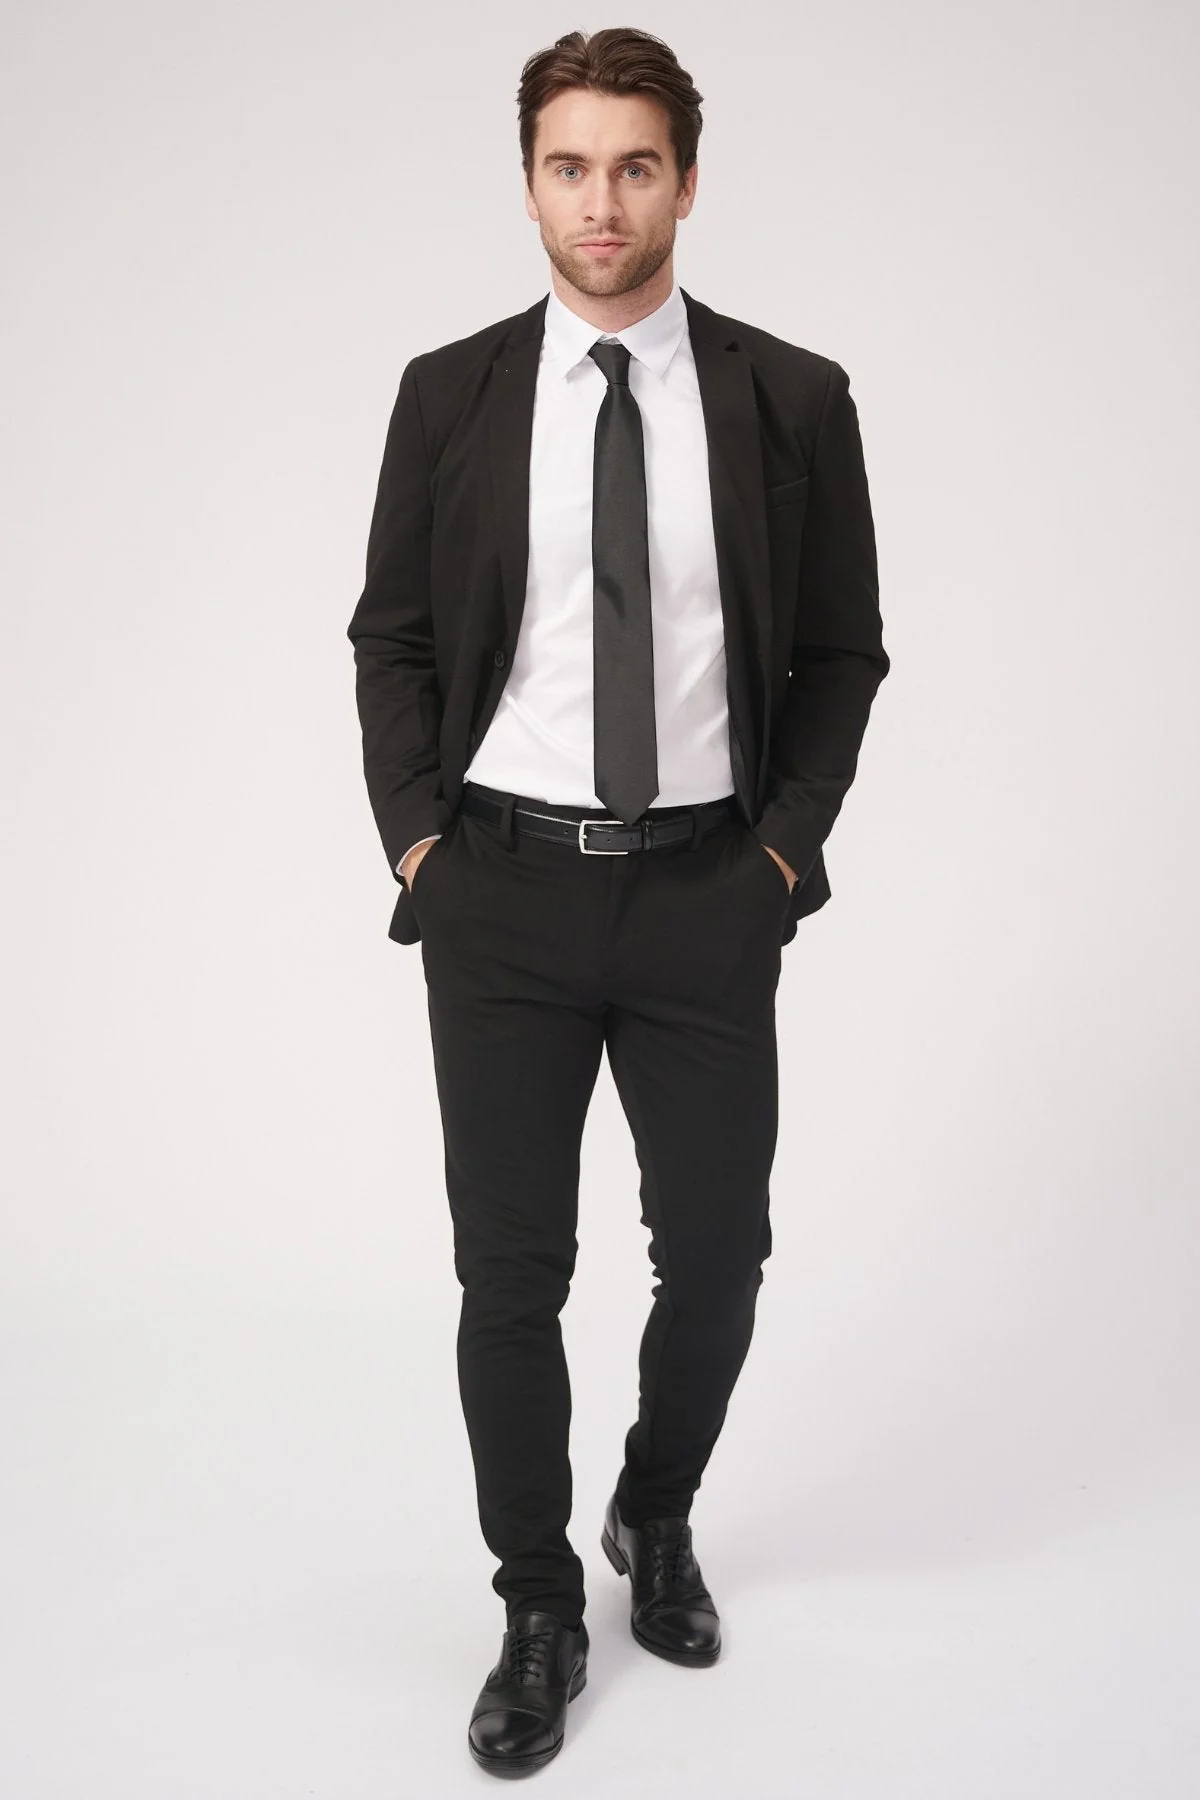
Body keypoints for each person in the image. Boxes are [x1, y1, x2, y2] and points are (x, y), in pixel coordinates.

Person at [346, 25, 889, 1778]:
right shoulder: (450, 393)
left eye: (635, 166)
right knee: (510, 1272)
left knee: (719, 1252)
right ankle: (534, 1606)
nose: (602, 201)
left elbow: (840, 651)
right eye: (570, 166)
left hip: (704, 893)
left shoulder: (790, 396)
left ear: (687, 183)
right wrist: (420, 847)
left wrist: (781, 855)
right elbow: (393, 640)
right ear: (528, 184)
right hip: (500, 891)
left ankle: (653, 1512)